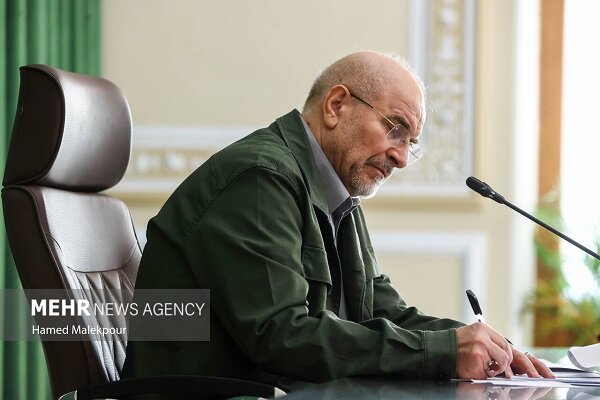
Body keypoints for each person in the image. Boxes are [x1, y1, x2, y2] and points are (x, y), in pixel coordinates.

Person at [122, 51, 553, 391]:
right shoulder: (260, 178)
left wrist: (479, 345)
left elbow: (382, 312)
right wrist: (442, 351)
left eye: (411, 142)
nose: (402, 157)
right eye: (395, 129)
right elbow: (281, 335)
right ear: (336, 106)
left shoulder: (338, 193)